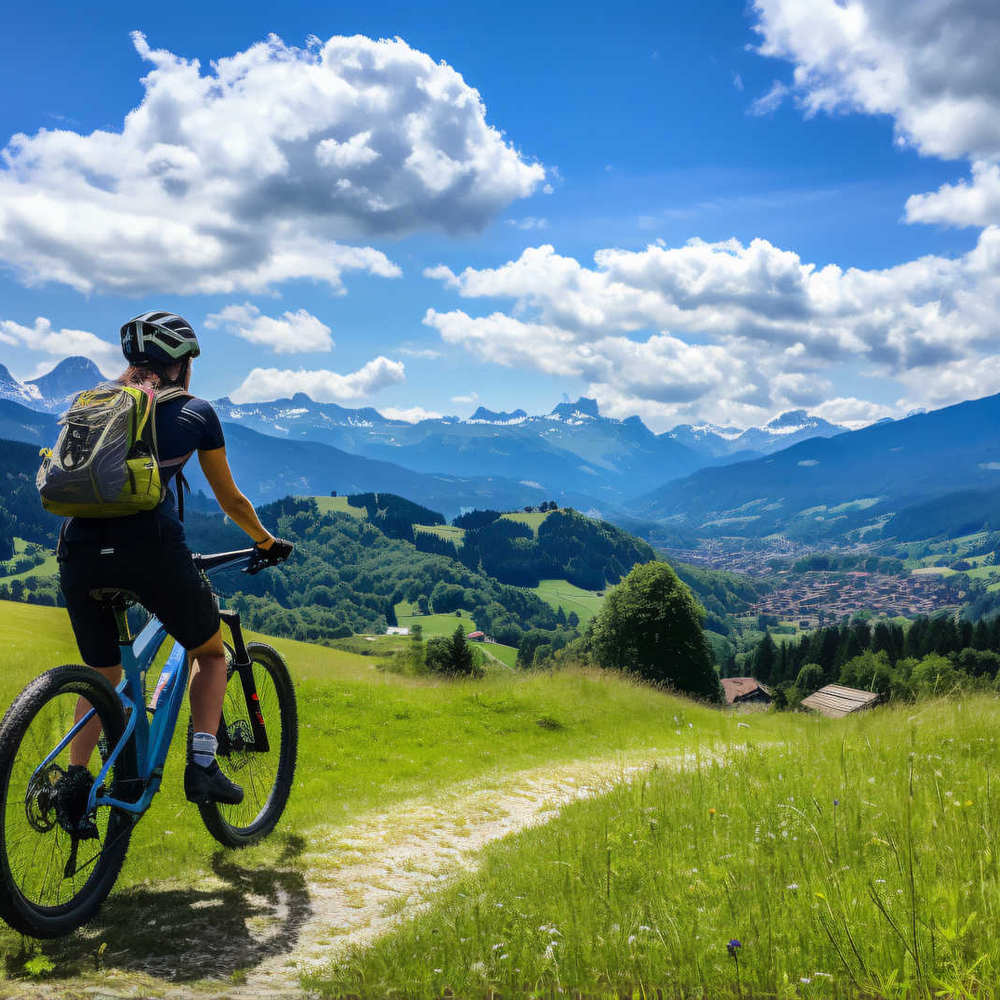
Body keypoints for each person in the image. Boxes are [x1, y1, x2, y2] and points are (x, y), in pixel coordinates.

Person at [57, 311, 293, 813]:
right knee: (210, 653)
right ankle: (203, 766)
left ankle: (74, 783)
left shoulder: (94, 404)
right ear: (180, 365)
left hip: (76, 549)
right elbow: (230, 501)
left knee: (105, 675)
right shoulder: (196, 411)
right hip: (149, 547)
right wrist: (266, 541)